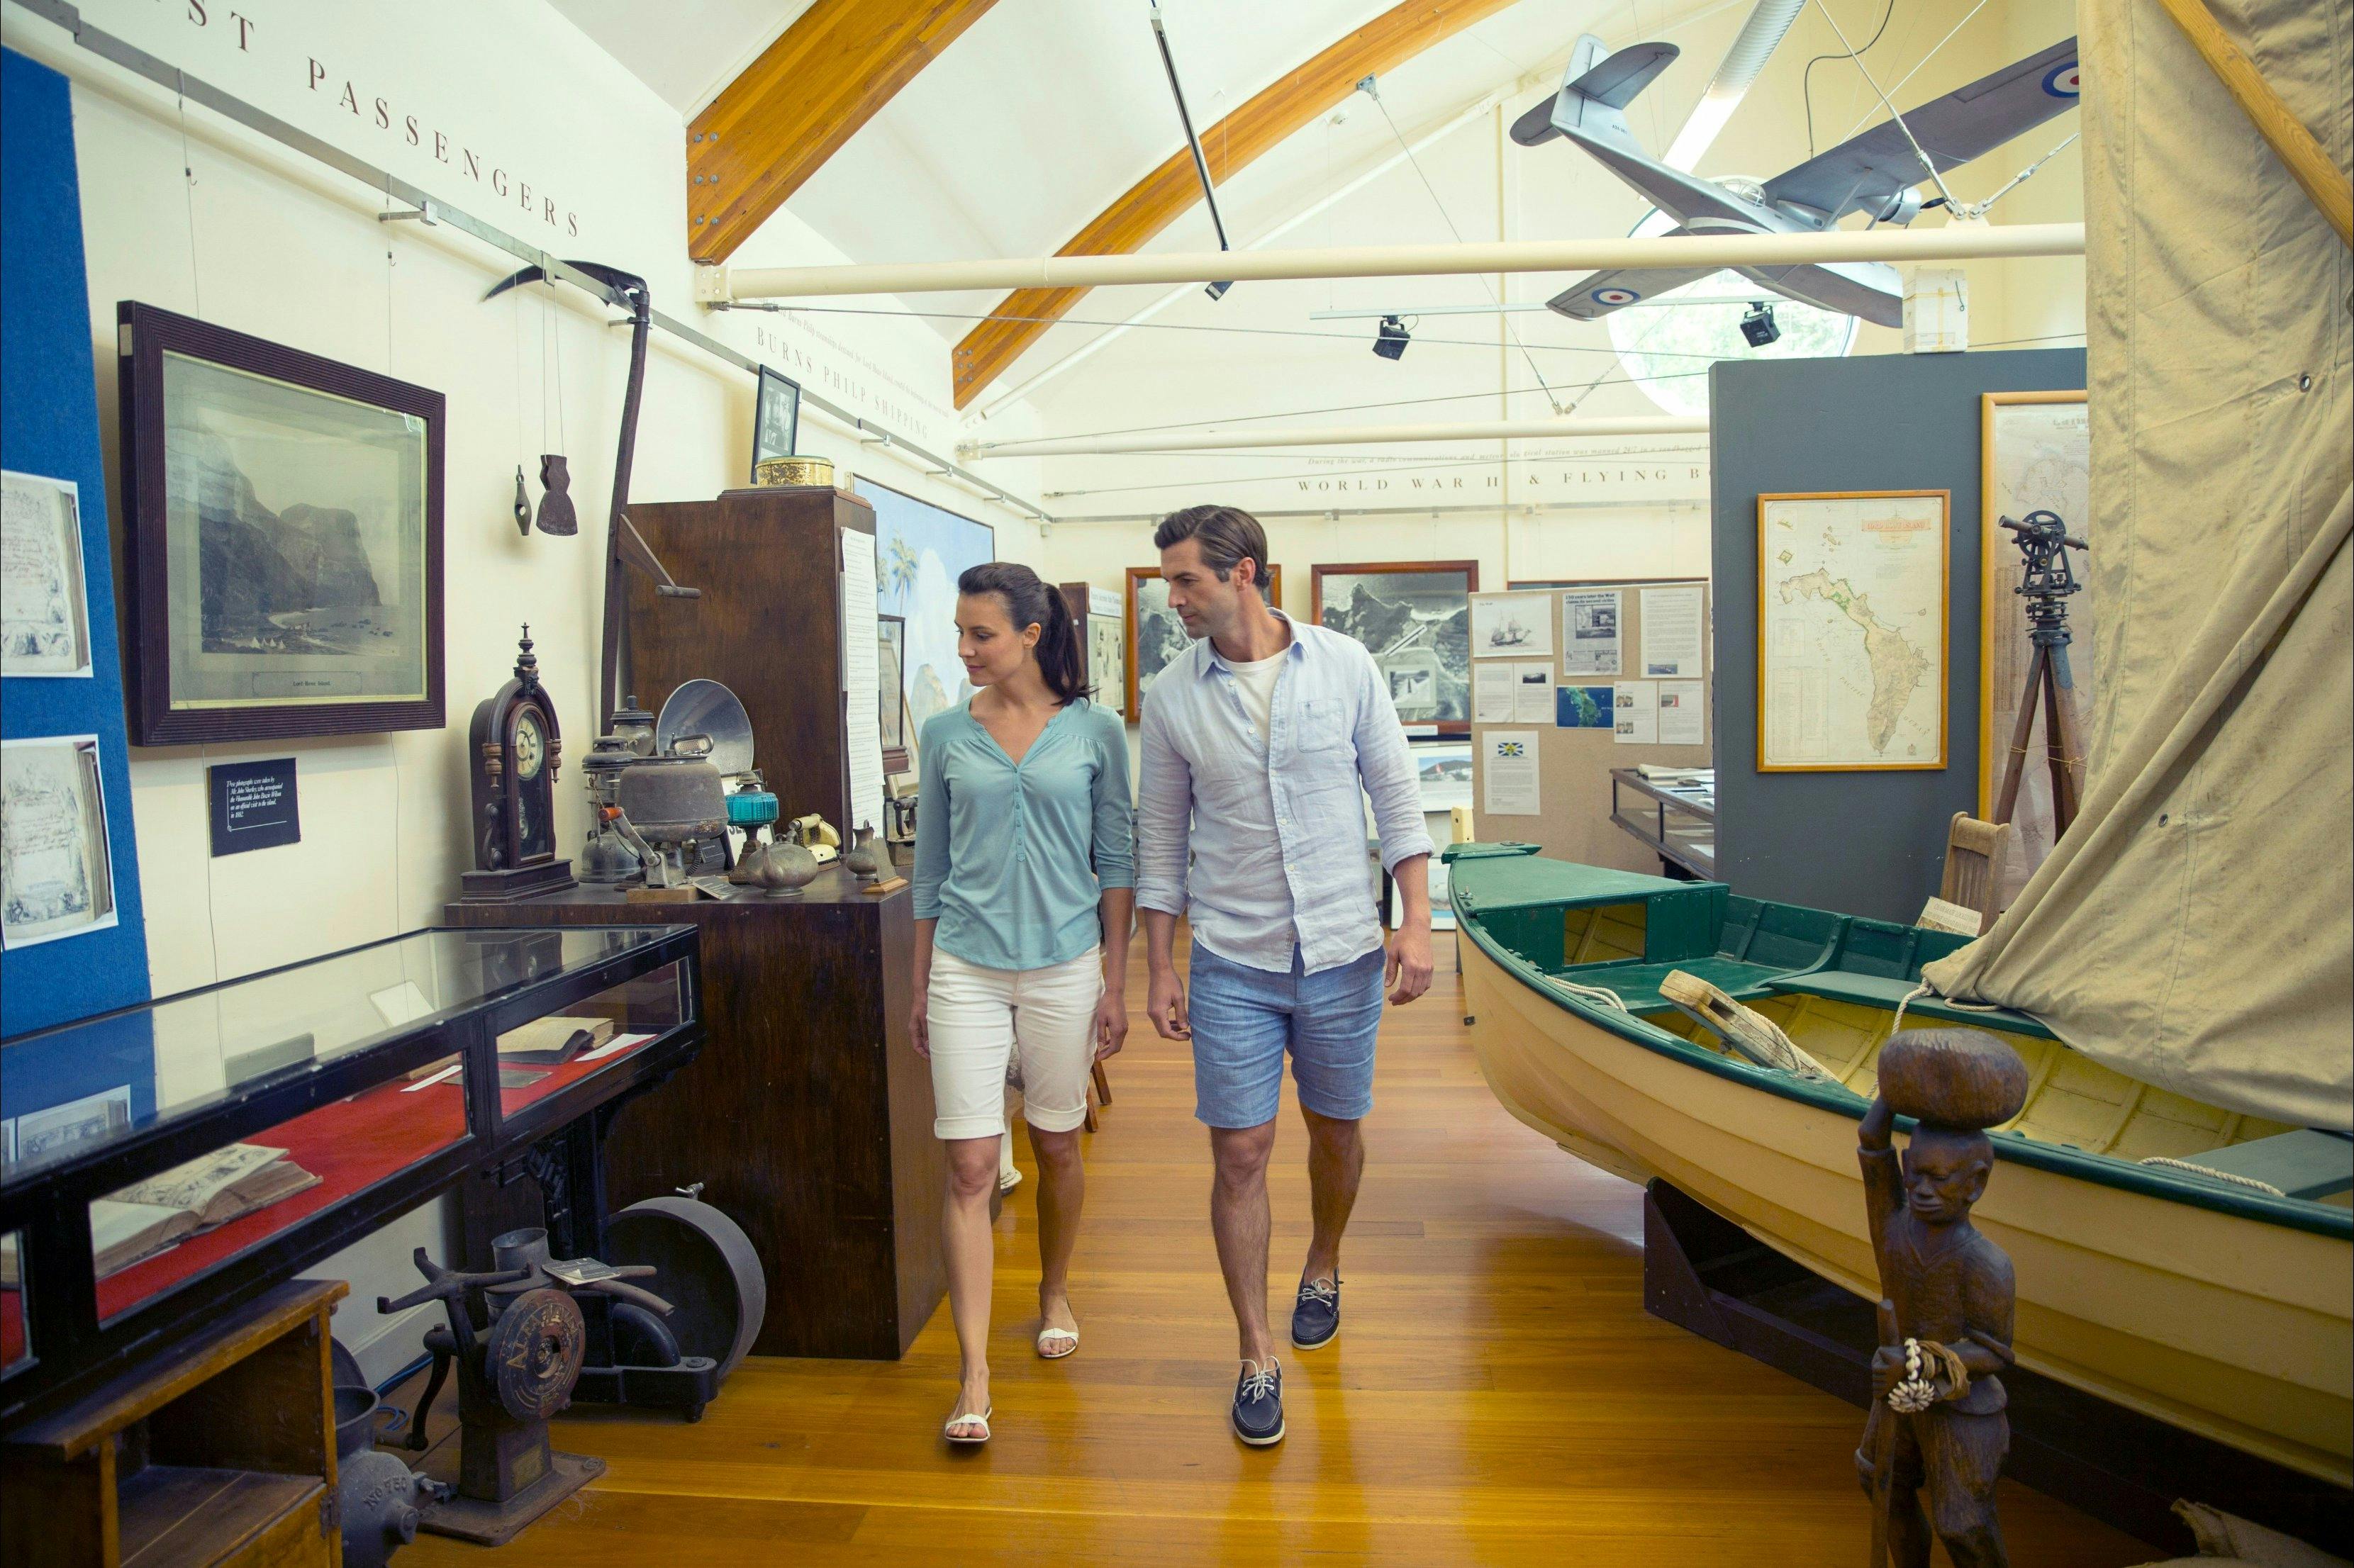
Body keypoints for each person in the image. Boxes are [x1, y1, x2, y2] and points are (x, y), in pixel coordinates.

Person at [1132, 505, 1435, 1446]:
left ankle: (1326, 1257)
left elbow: (1395, 792)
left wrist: (1416, 922)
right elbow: (1160, 842)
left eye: (1185, 579)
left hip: (1344, 949)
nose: (1172, 597)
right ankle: (1256, 1354)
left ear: (1244, 575)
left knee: (1335, 1133)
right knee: (1240, 1155)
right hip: (1232, 957)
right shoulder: (1174, 696)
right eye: (1168, 580)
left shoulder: (1344, 666)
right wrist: (1158, 968)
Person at [910, 562, 1134, 1446]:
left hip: (1065, 965)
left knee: (1054, 1143)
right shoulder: (943, 734)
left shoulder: (1093, 731)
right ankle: (973, 1372)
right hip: (964, 964)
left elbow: (1115, 858)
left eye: (980, 634)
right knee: (968, 1169)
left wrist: (1117, 980)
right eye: (960, 632)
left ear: (1030, 636)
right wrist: (922, 983)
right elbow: (929, 866)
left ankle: (1053, 1288)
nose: (963, 649)